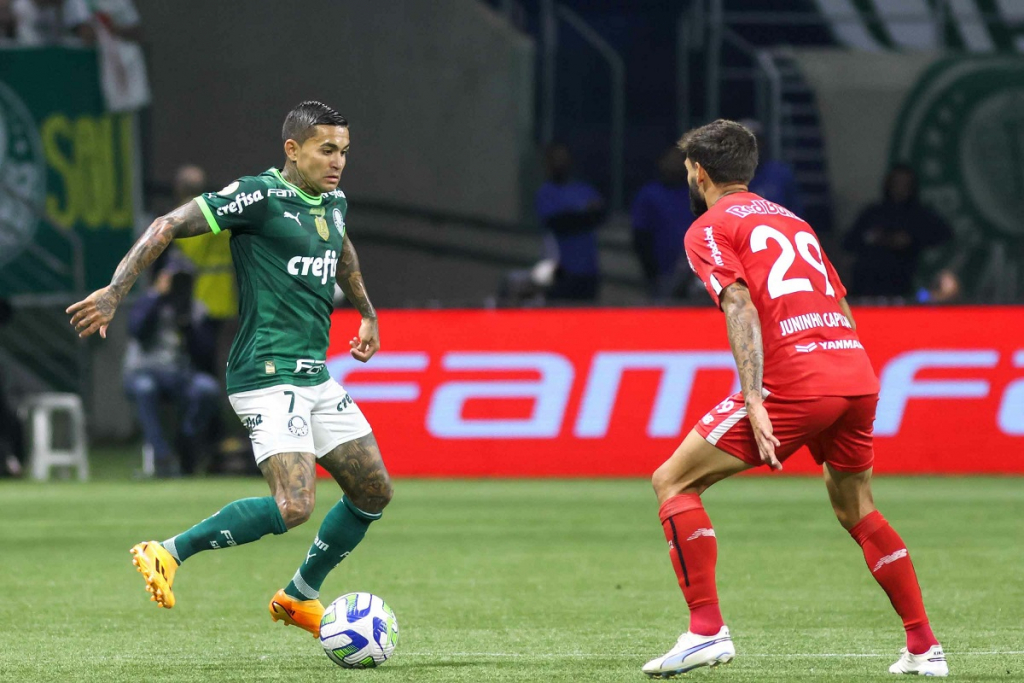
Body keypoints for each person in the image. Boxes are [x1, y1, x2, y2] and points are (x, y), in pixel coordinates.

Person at [67, 101, 392, 638]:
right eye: (327, 150)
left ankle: (298, 596)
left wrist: (367, 313)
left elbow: (341, 248)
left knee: (373, 490)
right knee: (294, 505)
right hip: (266, 374)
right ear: (293, 150)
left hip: (313, 374)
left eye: (344, 151)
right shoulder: (259, 196)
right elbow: (168, 224)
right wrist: (115, 292)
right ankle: (168, 551)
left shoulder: (332, 201)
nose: (338, 162)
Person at [642, 120, 946, 678]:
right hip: (855, 372)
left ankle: (706, 631)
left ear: (700, 172)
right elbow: (839, 300)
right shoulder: (792, 220)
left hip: (797, 381)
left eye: (688, 169)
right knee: (858, 509)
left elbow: (738, 303)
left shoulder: (708, 227)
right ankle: (925, 648)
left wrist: (754, 397)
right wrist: (845, 368)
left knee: (674, 482)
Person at [123, 257, 219, 477]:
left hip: (180, 375)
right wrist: (158, 296)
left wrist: (188, 325)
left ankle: (186, 444)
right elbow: (136, 330)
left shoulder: (195, 308)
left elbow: (205, 352)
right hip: (144, 372)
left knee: (207, 388)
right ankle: (162, 455)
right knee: (145, 388)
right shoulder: (147, 301)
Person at [843, 164, 953, 299]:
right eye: (896, 183)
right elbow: (849, 242)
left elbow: (945, 235)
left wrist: (911, 240)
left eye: (905, 184)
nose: (900, 188)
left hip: (905, 286)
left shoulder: (920, 215)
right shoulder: (873, 213)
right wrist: (875, 238)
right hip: (867, 287)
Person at [535, 143, 605, 302]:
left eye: (564, 159)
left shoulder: (584, 190)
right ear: (548, 164)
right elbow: (559, 224)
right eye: (556, 160)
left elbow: (600, 216)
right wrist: (584, 215)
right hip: (558, 272)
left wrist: (576, 216)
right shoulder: (545, 193)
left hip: (589, 271)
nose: (560, 164)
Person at [631, 146, 693, 301]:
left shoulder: (697, 194)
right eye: (670, 160)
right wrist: (651, 271)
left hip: (696, 273)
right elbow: (640, 235)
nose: (675, 164)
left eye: (679, 160)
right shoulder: (649, 194)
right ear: (661, 163)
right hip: (662, 272)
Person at [742, 119, 803, 216]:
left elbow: (795, 211)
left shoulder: (781, 173)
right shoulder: (729, 177)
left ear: (762, 143)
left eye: (755, 141)